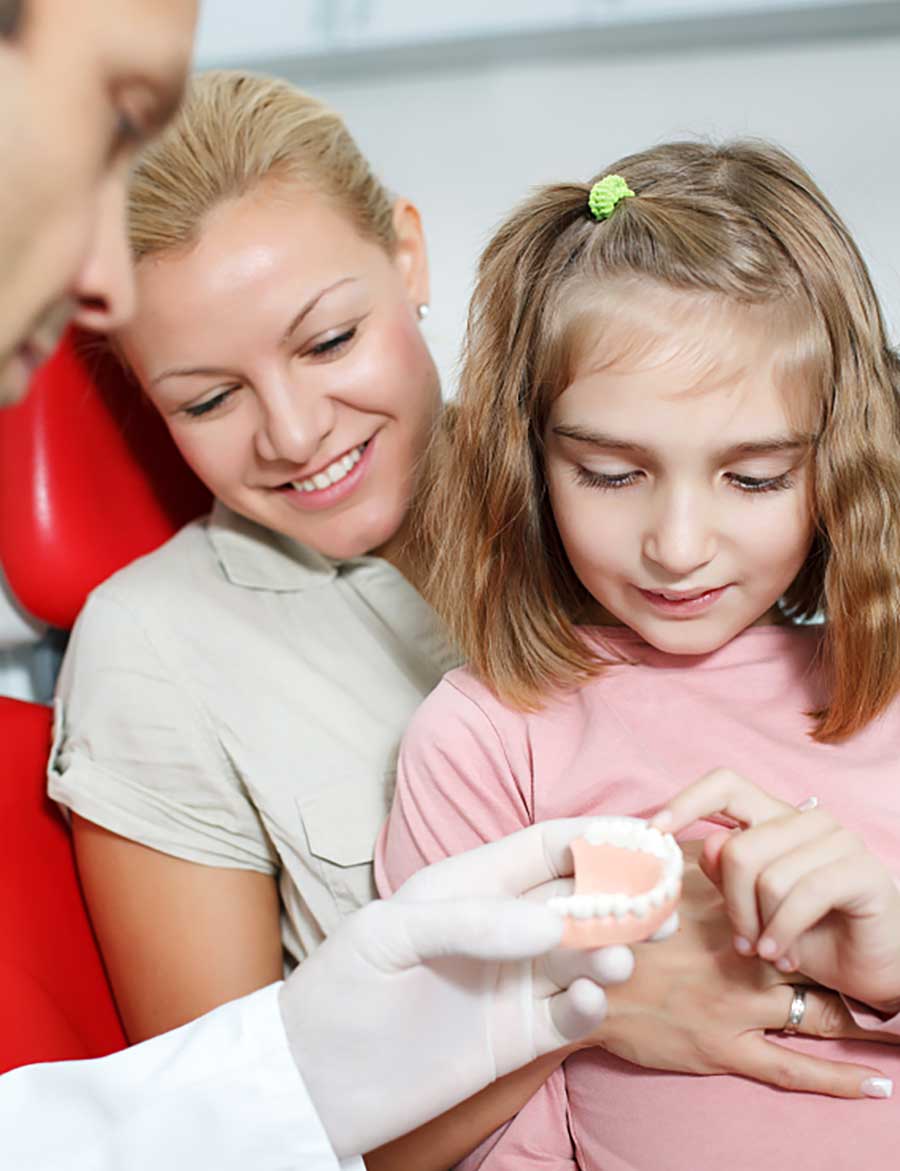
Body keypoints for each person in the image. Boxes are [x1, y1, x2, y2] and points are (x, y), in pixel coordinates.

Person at [0, 5, 628, 1167]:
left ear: (407, 252)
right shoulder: (153, 650)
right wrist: (605, 1018)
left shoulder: (625, 479)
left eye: (328, 341)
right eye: (206, 399)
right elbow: (229, 1139)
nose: (294, 434)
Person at [377, 140, 900, 1168]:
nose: (676, 545)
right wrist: (579, 999)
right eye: (612, 473)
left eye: (752, 479)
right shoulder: (487, 738)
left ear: (841, 463)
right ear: (531, 462)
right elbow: (434, 1130)